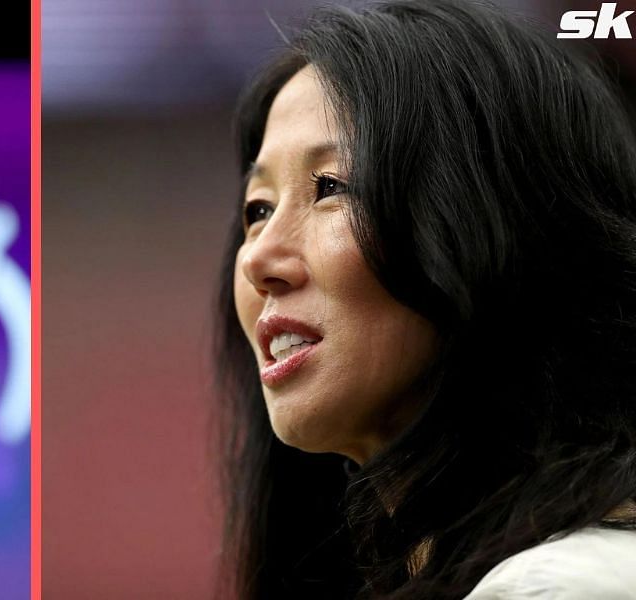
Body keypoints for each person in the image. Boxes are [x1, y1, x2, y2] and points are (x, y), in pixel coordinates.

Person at [216, 1, 636, 598]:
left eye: (332, 187)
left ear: (496, 225)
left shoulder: (564, 586)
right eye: (258, 210)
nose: (258, 260)